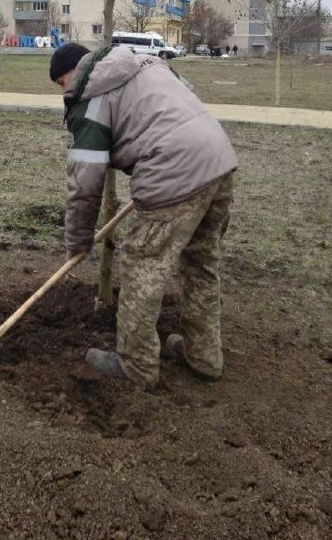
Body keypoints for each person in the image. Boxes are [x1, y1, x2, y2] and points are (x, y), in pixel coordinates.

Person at [50, 42, 238, 390]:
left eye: (62, 83)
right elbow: (184, 100)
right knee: (201, 262)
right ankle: (204, 357)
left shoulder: (88, 96)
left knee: (141, 263)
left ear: (74, 71)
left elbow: (85, 184)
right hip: (219, 160)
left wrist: (77, 242)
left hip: (173, 168)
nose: (65, 91)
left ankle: (136, 364)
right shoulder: (148, 63)